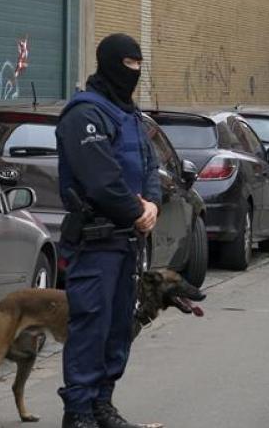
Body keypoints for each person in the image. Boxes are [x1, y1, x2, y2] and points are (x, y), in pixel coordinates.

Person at [56, 33, 163, 428]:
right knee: (91, 324)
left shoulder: (130, 116)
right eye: (128, 65)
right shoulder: (84, 114)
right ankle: (79, 411)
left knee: (119, 327)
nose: (134, 73)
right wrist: (136, 210)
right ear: (109, 63)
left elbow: (151, 167)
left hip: (127, 242)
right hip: (96, 240)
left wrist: (152, 204)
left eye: (139, 65)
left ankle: (103, 404)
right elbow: (101, 179)